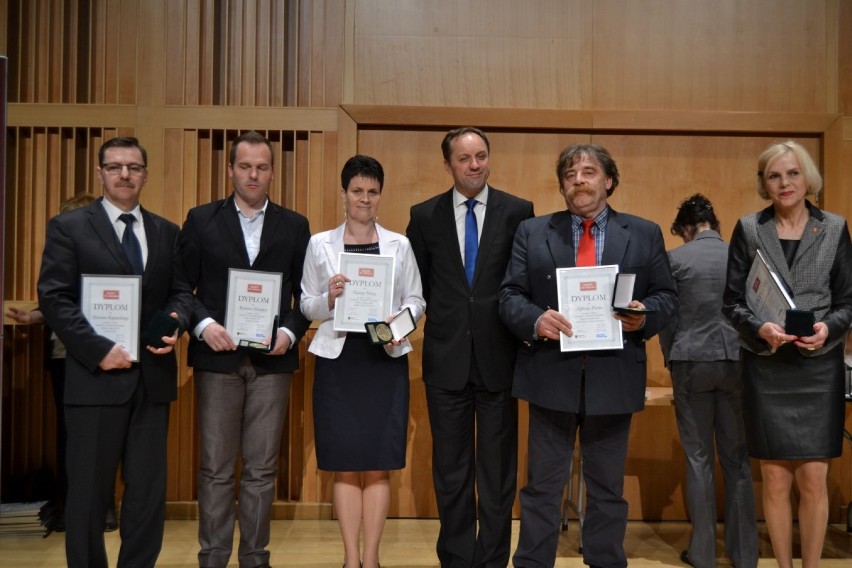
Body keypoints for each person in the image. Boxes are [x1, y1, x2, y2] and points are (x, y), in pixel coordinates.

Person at [498, 143, 678, 568]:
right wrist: (536, 319)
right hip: (550, 375)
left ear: (608, 181)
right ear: (562, 185)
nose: (579, 180)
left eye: (589, 172)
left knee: (606, 489)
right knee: (542, 487)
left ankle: (606, 562)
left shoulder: (645, 232)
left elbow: (668, 298)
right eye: (570, 174)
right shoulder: (533, 232)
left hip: (613, 377)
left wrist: (644, 316)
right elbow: (509, 295)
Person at [36, 137, 191, 568]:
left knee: (146, 496)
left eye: (134, 167)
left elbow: (179, 292)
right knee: (87, 494)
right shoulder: (69, 227)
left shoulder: (166, 230)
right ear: (101, 173)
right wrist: (99, 349)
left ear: (145, 173)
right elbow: (53, 297)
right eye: (115, 166)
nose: (125, 174)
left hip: (152, 380)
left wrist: (174, 325)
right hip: (94, 379)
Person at [176, 130, 311, 568]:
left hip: (272, 364)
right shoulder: (200, 220)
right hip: (218, 359)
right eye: (245, 166)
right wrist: (204, 324)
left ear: (272, 171)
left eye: (262, 167)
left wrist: (290, 334)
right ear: (230, 169)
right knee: (216, 469)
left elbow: (304, 297)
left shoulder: (294, 225)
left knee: (260, 470)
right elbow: (181, 286)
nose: (254, 174)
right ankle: (212, 558)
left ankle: (255, 558)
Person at [406, 127, 534, 568]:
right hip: (446, 362)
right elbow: (414, 290)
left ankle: (493, 559)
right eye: (465, 158)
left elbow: (524, 283)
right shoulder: (423, 217)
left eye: (481, 156)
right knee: (452, 471)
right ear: (448, 165)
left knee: (497, 473)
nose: (475, 164)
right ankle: (457, 558)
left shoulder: (519, 212)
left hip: (501, 360)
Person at [722, 140, 852, 568]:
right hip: (766, 364)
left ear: (807, 177)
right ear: (764, 183)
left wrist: (826, 328)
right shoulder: (748, 228)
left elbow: (848, 301)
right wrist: (760, 328)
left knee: (814, 479)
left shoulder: (834, 227)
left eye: (793, 173)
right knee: (775, 481)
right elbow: (731, 302)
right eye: (774, 176)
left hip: (820, 366)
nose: (784, 183)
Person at [300, 155, 426, 568]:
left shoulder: (399, 244)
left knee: (377, 464)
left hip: (384, 358)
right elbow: (306, 304)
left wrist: (399, 323)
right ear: (344, 194)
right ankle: (350, 558)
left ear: (379, 196)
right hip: (339, 361)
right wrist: (329, 298)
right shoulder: (320, 243)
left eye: (372, 192)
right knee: (344, 463)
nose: (365, 199)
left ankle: (371, 558)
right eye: (357, 191)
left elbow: (416, 300)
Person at [6, 192, 120, 535]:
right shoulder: (62, 257)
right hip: (65, 357)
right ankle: (72, 508)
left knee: (106, 436)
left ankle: (104, 508)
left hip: (107, 356)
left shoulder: (112, 258)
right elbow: (56, 302)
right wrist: (33, 316)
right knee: (70, 437)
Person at [658, 194, 758, 568]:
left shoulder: (676, 258)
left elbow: (666, 317)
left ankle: (702, 554)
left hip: (690, 362)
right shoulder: (742, 256)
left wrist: (672, 355)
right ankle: (744, 555)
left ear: (685, 229)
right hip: (736, 362)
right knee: (737, 459)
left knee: (698, 458)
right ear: (713, 225)